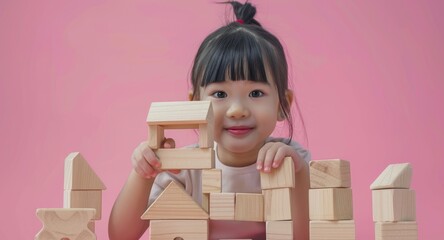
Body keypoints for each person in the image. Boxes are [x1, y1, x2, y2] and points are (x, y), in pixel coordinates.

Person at [109, 1, 310, 239]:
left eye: (256, 93)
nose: (237, 110)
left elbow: (304, 236)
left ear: (283, 105)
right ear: (196, 105)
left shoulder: (293, 159)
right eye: (220, 94)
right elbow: (121, 235)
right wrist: (143, 172)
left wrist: (296, 171)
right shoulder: (184, 168)